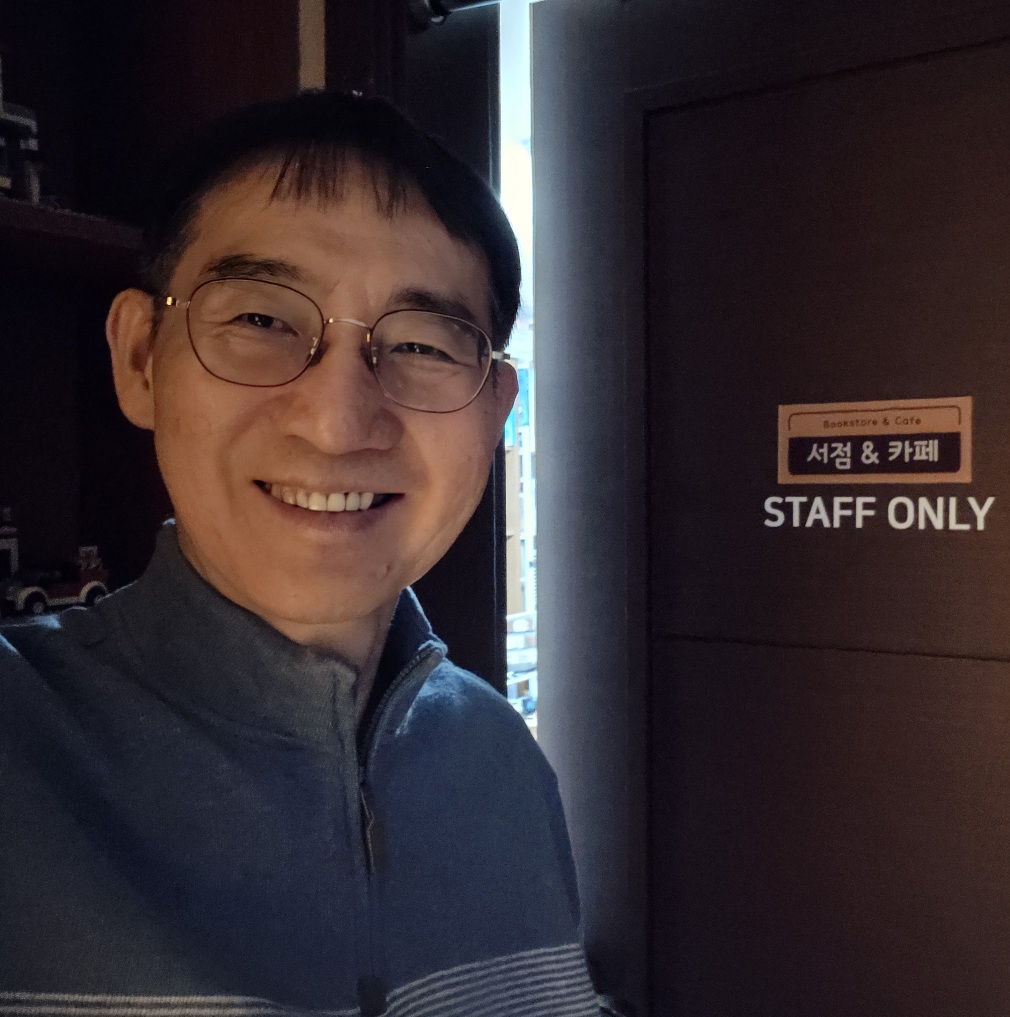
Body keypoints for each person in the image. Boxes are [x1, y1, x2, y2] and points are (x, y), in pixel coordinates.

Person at [0, 91, 597, 1016]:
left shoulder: (502, 761)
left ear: (492, 412)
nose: (336, 422)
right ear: (141, 358)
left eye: (420, 343)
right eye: (262, 321)